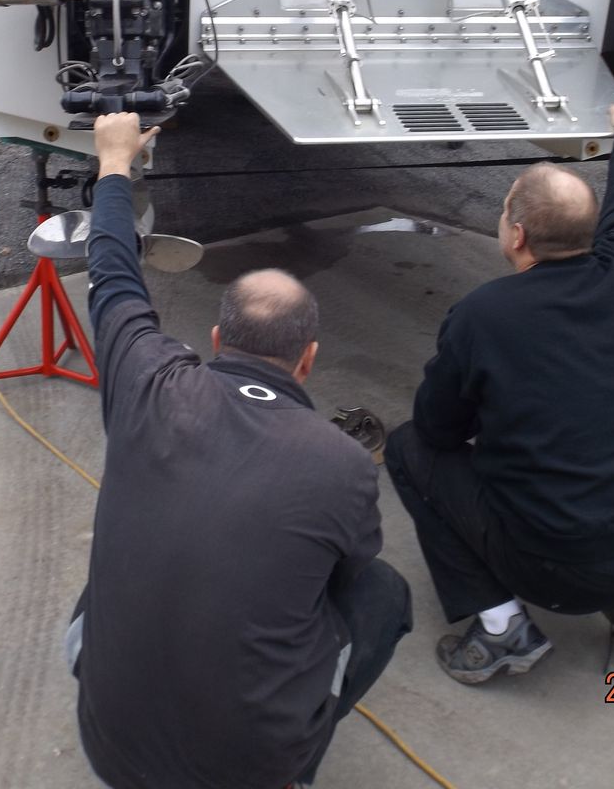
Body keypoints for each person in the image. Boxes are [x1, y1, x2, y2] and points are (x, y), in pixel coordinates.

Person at [69, 112, 411, 788]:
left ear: (218, 341)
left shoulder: (149, 382)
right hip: (247, 772)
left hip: (108, 751)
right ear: (308, 360)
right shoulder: (340, 463)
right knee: (380, 591)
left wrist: (113, 166)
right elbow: (348, 565)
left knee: (146, 558)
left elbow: (112, 275)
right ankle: (293, 766)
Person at [383, 102, 614, 685]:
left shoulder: (482, 315)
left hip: (557, 573)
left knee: (408, 449)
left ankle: (502, 627)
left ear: (517, 234)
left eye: (505, 210)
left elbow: (438, 429)